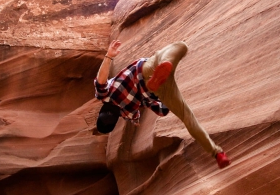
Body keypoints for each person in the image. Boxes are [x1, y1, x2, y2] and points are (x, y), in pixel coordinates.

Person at [94, 40, 230, 169]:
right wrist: (109, 56)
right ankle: (164, 64)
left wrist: (163, 107)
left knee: (188, 117)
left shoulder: (128, 113)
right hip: (144, 71)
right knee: (181, 46)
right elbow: (101, 79)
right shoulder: (104, 95)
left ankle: (217, 153)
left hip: (158, 91)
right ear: (102, 110)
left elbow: (147, 108)